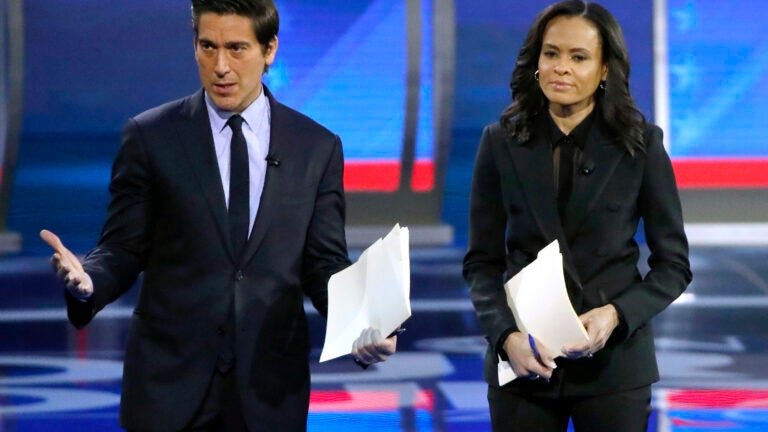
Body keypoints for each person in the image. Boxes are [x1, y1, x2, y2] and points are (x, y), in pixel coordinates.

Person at [40, 1, 398, 430]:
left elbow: (323, 264)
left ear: (270, 50)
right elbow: (123, 246)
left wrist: (362, 326)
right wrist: (89, 279)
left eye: (236, 48)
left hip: (268, 391)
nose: (221, 66)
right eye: (207, 47)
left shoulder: (316, 148)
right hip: (169, 387)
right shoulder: (151, 136)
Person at [462, 1, 692, 431]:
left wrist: (616, 315)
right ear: (536, 61)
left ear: (605, 70)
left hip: (614, 368)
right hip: (524, 362)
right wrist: (506, 337)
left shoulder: (641, 145)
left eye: (578, 57)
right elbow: (481, 263)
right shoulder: (500, 142)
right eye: (551, 54)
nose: (560, 68)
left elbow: (674, 266)